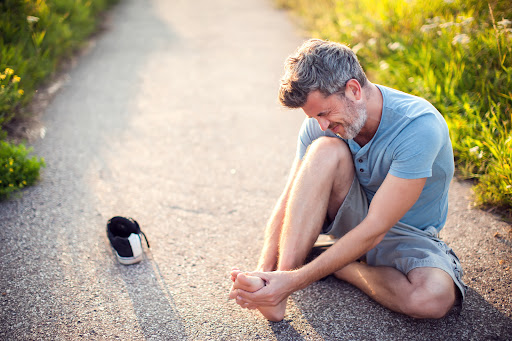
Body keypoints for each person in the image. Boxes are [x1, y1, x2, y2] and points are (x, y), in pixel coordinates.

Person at [228, 39, 467, 322]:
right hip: (351, 221)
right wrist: (264, 277)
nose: (322, 125)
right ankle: (280, 286)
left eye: (324, 113)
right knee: (324, 149)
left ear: (354, 90)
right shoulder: (320, 127)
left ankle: (338, 266)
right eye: (315, 116)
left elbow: (376, 229)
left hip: (406, 234)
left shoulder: (418, 126)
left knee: (432, 300)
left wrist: (295, 281)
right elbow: (289, 199)